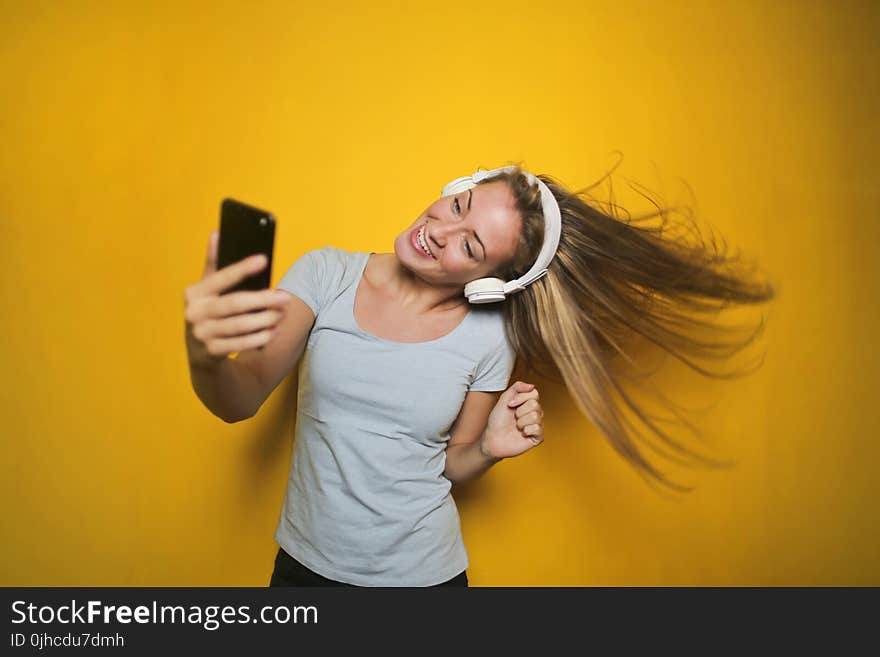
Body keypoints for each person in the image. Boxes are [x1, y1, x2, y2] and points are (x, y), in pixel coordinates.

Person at [184, 161, 775, 586]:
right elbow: (239, 401)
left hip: (425, 580)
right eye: (460, 206)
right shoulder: (325, 274)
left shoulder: (489, 336)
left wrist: (489, 448)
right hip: (304, 571)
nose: (439, 230)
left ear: (490, 283)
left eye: (470, 247)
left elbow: (450, 461)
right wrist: (206, 352)